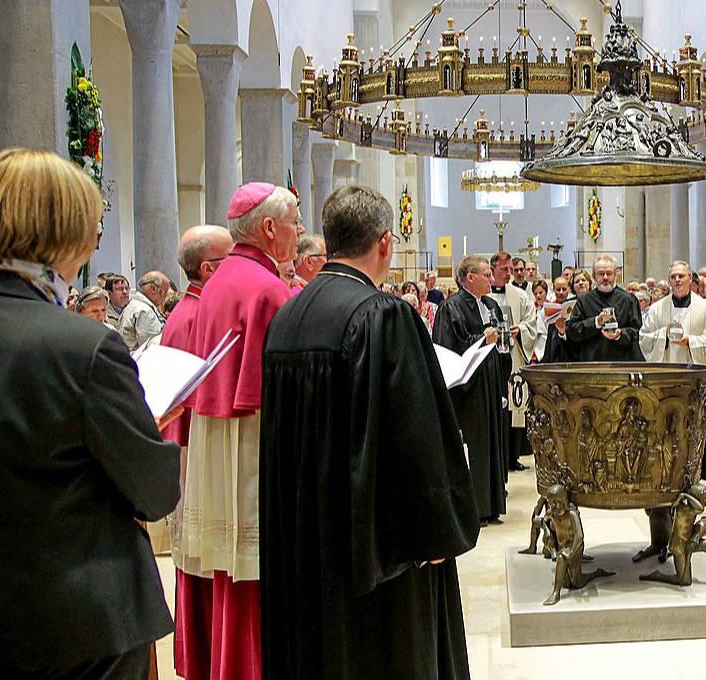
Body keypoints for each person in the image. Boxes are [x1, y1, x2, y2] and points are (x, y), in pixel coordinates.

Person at [260, 185, 479, 679]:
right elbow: (414, 436)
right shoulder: (382, 315)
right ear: (384, 243)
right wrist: (436, 530)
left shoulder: (287, 318)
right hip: (371, 553)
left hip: (303, 539)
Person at [0, 148, 180, 680]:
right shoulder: (82, 347)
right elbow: (154, 492)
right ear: (63, 234)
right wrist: (152, 433)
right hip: (78, 622)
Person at [176, 182, 303, 680]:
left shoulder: (221, 279)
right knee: (251, 563)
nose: (300, 232)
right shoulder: (268, 288)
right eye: (294, 222)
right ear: (270, 228)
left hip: (215, 435)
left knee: (226, 565)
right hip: (250, 440)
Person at [158, 224, 233, 678]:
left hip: (192, 451)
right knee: (199, 564)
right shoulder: (193, 317)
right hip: (191, 453)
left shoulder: (195, 309)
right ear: (208, 269)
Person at [433, 254, 507, 524]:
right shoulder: (451, 307)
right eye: (487, 274)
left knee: (491, 442)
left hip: (489, 384)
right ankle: (474, 509)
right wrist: (481, 338)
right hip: (467, 389)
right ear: (470, 277)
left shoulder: (489, 304)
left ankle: (492, 504)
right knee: (474, 446)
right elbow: (445, 348)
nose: (491, 279)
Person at [641, 260, 706, 480]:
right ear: (669, 280)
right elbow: (644, 339)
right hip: (666, 381)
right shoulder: (657, 309)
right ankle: (665, 473)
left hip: (693, 380)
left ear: (690, 279)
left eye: (681, 276)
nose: (677, 280)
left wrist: (691, 342)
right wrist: (663, 336)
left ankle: (695, 475)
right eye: (673, 277)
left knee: (694, 425)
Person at [489, 251, 537, 472]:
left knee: (515, 405)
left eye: (511, 269)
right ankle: (495, 458)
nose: (509, 273)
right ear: (493, 270)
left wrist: (522, 329)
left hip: (514, 355)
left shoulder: (520, 295)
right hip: (490, 358)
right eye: (504, 269)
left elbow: (531, 321)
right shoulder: (484, 294)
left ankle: (512, 456)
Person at [567, 255, 643, 361]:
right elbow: (572, 331)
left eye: (609, 273)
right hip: (592, 364)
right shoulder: (584, 301)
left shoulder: (628, 299)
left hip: (622, 363)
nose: (605, 277)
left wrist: (620, 334)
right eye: (601, 274)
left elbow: (637, 332)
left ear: (615, 275)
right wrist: (596, 322)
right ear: (593, 276)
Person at [118, 270, 170, 351]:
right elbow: (152, 348)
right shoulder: (144, 311)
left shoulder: (134, 305)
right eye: (165, 292)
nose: (165, 297)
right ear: (153, 289)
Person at [540, 275, 577, 363]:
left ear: (568, 289)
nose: (561, 292)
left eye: (564, 289)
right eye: (558, 289)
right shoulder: (547, 309)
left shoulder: (575, 308)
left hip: (570, 353)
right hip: (552, 353)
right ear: (553, 289)